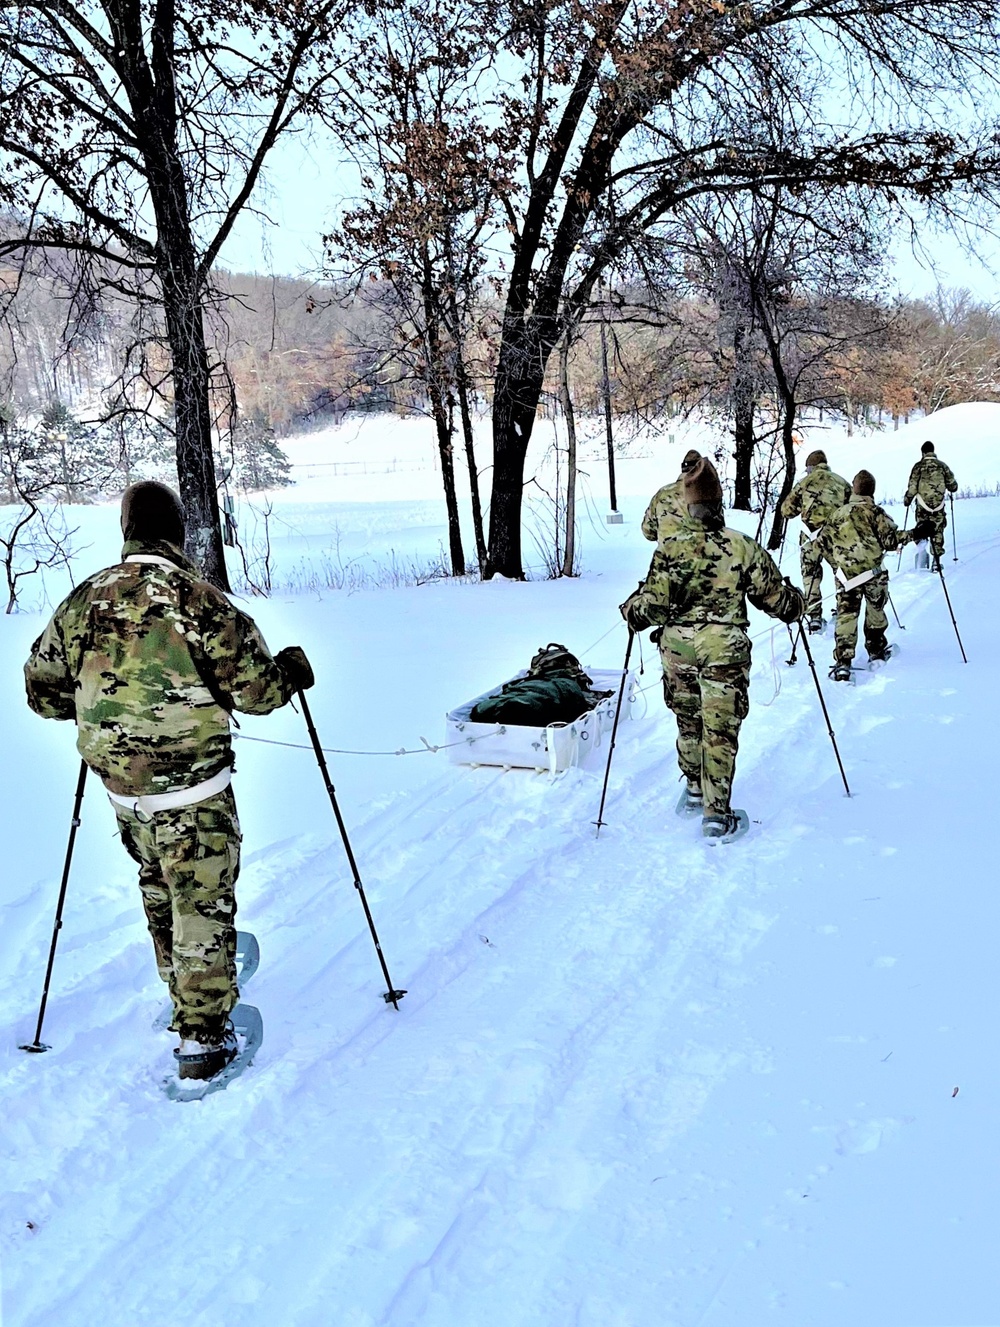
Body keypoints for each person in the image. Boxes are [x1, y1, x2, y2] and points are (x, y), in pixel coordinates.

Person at [23, 482, 314, 1081]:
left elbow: (41, 689)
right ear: (178, 534)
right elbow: (256, 692)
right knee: (200, 897)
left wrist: (100, 709)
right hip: (193, 790)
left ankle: (182, 984)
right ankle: (203, 1040)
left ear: (126, 531)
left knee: (158, 883)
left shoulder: (82, 602)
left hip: (123, 792)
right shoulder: (201, 601)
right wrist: (291, 670)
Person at [621, 458, 804, 840]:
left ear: (686, 505)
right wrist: (795, 604)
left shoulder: (668, 550)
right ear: (718, 501)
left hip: (677, 650)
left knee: (688, 720)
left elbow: (651, 606)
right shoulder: (740, 546)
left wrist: (632, 612)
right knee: (718, 730)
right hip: (724, 650)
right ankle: (716, 813)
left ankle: (692, 789)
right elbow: (775, 599)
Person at [818, 470, 932, 681]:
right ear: (872, 490)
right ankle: (876, 650)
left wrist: (838, 565)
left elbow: (822, 543)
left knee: (846, 615)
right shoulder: (876, 513)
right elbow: (891, 541)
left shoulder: (837, 514)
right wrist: (916, 533)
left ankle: (843, 661)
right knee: (875, 612)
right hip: (873, 575)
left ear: (854, 489)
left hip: (846, 577)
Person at [779, 449, 851, 633]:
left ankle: (814, 615)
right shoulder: (842, 482)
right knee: (841, 572)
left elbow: (786, 511)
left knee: (810, 575)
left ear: (810, 468)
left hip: (810, 538)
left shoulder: (804, 483)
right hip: (836, 537)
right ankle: (843, 608)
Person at [904, 440, 958, 571]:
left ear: (922, 452)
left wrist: (908, 499)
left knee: (921, 527)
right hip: (938, 507)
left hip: (922, 506)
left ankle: (922, 550)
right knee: (938, 530)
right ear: (933, 451)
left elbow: (912, 487)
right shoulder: (942, 466)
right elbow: (953, 486)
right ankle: (936, 561)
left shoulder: (918, 467)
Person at [641, 449, 702, 540]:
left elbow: (648, 531)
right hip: (702, 552)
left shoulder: (662, 493)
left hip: (668, 553)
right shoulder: (708, 494)